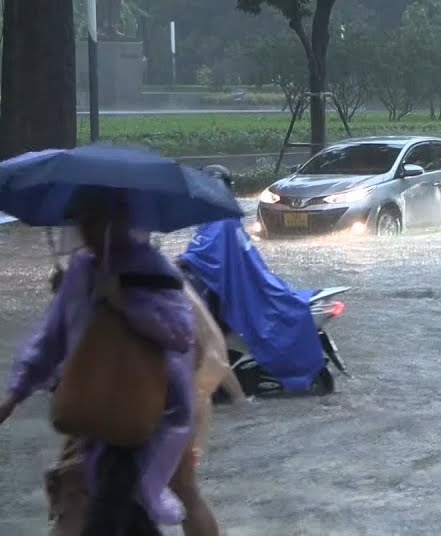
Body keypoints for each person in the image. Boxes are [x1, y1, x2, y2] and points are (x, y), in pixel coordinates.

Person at [0, 188, 196, 535]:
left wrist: (124, 304)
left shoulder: (152, 269)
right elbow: (50, 340)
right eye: (82, 222)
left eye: (95, 221)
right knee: (127, 517)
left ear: (118, 220)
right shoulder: (80, 271)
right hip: (91, 412)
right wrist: (14, 395)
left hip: (143, 415)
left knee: (107, 516)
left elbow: (181, 333)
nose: (87, 232)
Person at [177, 165, 326, 393]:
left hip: (225, 297)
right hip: (228, 291)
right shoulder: (223, 217)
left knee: (204, 345)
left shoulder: (220, 221)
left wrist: (178, 263)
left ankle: (237, 402)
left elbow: (206, 256)